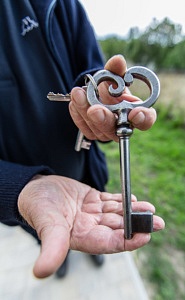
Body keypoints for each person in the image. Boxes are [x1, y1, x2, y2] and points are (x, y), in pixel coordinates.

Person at [0, 0, 165, 279]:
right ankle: (60, 253)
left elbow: (92, 69)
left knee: (95, 230)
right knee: (48, 231)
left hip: (88, 170)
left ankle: (93, 251)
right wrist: (15, 185)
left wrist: (99, 97)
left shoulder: (58, 4)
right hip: (31, 183)